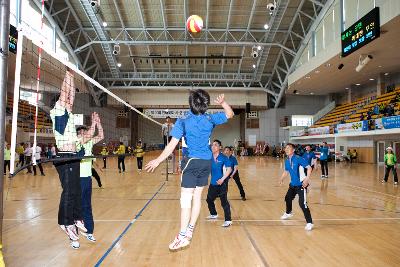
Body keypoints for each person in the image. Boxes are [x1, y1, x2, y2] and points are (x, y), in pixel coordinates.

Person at [145, 90, 234, 251]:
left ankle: (181, 235)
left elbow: (172, 145)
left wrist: (158, 160)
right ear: (205, 105)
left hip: (192, 162)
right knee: (197, 198)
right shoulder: (209, 118)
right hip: (206, 163)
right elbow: (229, 114)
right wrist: (222, 103)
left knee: (185, 201)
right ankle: (190, 232)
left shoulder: (183, 121)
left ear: (191, 103)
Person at [50, 69, 97, 249]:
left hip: (73, 156)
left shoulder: (68, 116)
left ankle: (77, 218)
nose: (70, 101)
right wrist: (69, 73)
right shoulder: (58, 111)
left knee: (76, 190)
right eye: (67, 100)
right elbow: (65, 94)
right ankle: (65, 222)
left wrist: (74, 79)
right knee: (69, 192)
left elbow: (71, 96)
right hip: (64, 157)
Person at [76, 116, 104, 243]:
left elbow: (101, 135)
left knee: (87, 206)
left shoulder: (89, 142)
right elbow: (89, 135)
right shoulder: (76, 143)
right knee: (78, 206)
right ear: (77, 135)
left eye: (85, 132)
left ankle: (89, 231)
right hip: (78, 179)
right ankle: (74, 235)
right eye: (81, 132)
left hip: (87, 178)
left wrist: (98, 123)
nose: (84, 134)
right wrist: (93, 123)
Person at [279, 143, 313, 231]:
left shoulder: (298, 159)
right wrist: (281, 179)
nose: (286, 149)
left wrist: (307, 179)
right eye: (285, 148)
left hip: (301, 185)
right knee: (287, 198)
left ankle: (309, 222)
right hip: (292, 185)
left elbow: (309, 168)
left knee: (302, 203)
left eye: (288, 148)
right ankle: (288, 213)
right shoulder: (287, 160)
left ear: (293, 150)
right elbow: (286, 171)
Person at [206, 140, 233, 227]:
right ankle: (214, 214)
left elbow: (229, 169)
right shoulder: (209, 157)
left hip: (222, 183)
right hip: (213, 183)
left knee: (224, 202)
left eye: (216, 145)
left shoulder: (224, 157)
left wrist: (222, 179)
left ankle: (228, 220)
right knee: (209, 199)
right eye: (212, 145)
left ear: (220, 147)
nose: (213, 146)